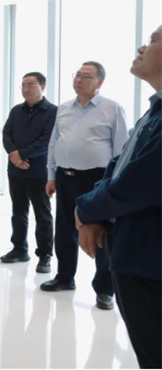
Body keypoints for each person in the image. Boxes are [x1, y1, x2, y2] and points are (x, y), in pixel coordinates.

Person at [75, 26, 162, 368]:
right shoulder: (154, 110)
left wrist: (85, 209)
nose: (142, 47)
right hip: (135, 256)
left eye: (154, 40)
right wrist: (94, 212)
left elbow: (140, 182)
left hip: (150, 263)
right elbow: (119, 163)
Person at [42, 61, 129, 310]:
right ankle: (64, 277)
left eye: (86, 76)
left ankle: (104, 289)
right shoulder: (64, 108)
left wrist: (113, 185)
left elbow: (121, 151)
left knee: (101, 232)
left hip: (97, 179)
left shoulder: (112, 109)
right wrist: (51, 175)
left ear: (99, 82)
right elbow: (54, 143)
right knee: (64, 229)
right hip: (65, 177)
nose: (79, 80)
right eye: (77, 75)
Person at [0, 72, 58, 273]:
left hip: (39, 171)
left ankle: (44, 255)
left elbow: (47, 140)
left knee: (42, 215)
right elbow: (6, 134)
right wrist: (14, 156)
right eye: (23, 85)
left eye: (31, 85)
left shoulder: (52, 111)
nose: (25, 89)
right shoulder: (16, 110)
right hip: (15, 170)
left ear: (42, 87)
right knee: (18, 212)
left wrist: (22, 155)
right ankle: (19, 249)